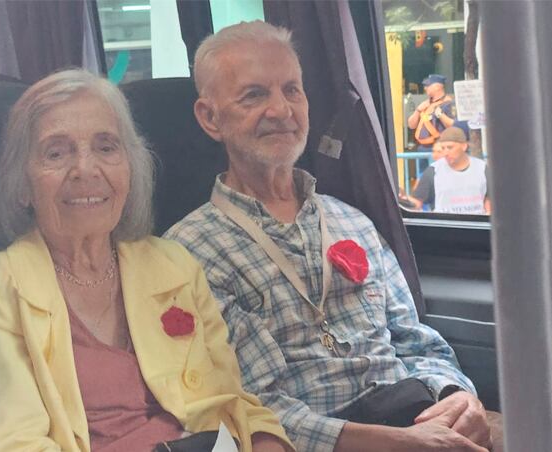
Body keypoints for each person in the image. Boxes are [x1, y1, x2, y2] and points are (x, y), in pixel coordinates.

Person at [164, 21, 500, 452]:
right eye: (254, 95)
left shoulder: (353, 222)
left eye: (292, 90)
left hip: (417, 413)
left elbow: (416, 342)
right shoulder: (190, 252)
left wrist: (459, 398)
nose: (281, 110)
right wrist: (398, 443)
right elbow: (253, 405)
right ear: (210, 118)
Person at [0, 69, 292, 452]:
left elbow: (233, 399)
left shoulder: (173, 263)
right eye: (56, 152)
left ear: (130, 169)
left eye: (106, 147)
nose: (85, 169)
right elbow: (13, 444)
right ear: (23, 187)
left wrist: (266, 440)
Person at [408, 127, 491, 214]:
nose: (446, 153)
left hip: (476, 225)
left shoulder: (482, 168)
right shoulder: (433, 171)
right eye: (443, 148)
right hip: (445, 225)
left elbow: (489, 200)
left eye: (450, 147)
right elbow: (416, 203)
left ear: (464, 146)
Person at [407, 74, 455, 151]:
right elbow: (411, 125)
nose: (425, 88)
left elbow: (453, 126)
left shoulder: (448, 104)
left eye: (428, 85)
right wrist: (418, 110)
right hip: (422, 148)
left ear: (437, 87)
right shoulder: (426, 104)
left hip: (440, 149)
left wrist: (440, 115)